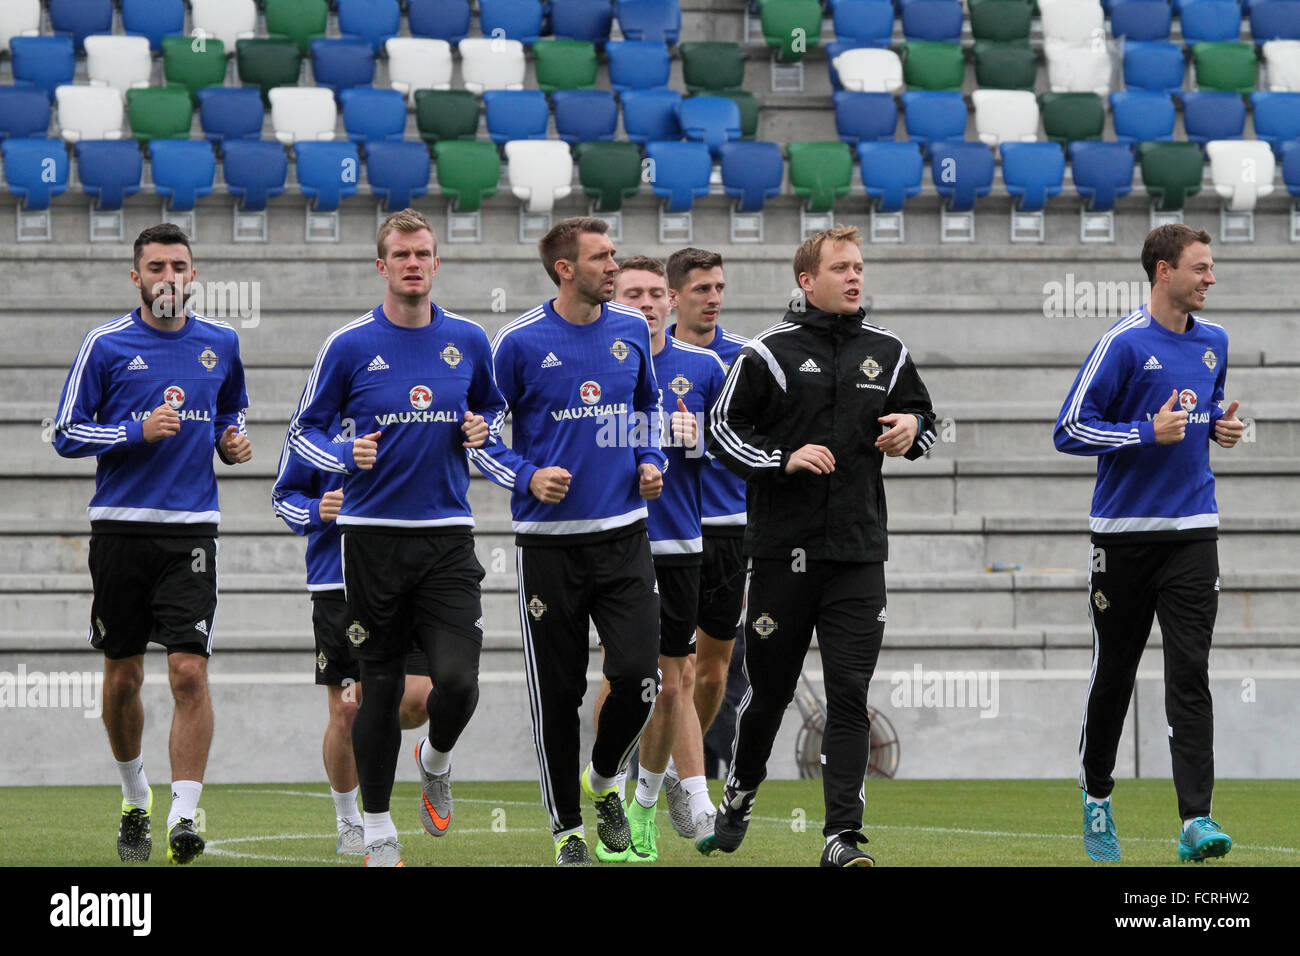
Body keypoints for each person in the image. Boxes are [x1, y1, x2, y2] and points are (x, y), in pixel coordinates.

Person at [705, 225, 936, 867]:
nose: (854, 277)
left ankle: (842, 835)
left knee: (849, 692)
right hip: (785, 555)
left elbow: (926, 423)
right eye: (841, 268)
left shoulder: (887, 351)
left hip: (860, 554)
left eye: (859, 267)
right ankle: (741, 793)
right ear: (807, 280)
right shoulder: (767, 353)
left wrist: (912, 428)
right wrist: (783, 457)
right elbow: (723, 429)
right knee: (770, 692)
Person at [285, 209, 497, 867]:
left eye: (423, 253)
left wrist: (481, 430)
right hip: (370, 540)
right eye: (401, 254)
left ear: (437, 263)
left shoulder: (468, 338)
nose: (413, 263)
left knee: (457, 681)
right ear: (382, 265)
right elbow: (301, 433)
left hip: (446, 536)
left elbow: (489, 408)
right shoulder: (347, 345)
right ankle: (375, 829)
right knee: (376, 689)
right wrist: (347, 451)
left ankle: (435, 758)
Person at [52, 223, 252, 864]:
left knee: (189, 670)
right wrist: (134, 431)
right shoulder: (105, 345)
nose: (169, 277)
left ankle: (184, 815)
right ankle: (135, 799)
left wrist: (231, 440)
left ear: (194, 277)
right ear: (135, 277)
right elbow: (64, 432)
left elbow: (231, 412)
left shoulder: (220, 343)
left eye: (180, 266)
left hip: (191, 530)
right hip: (118, 529)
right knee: (122, 678)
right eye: (157, 267)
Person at [1053, 224, 1243, 864]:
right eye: (1201, 268)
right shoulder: (1123, 344)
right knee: (1115, 675)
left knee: (1190, 673)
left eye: (1211, 267)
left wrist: (1220, 428)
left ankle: (1196, 819)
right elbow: (1069, 428)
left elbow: (1201, 414)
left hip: (1194, 531)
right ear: (1164, 272)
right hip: (1124, 539)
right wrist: (1141, 432)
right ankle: (1098, 799)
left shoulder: (1215, 342)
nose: (1210, 278)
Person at [483, 217, 666, 865]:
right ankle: (567, 832)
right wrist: (529, 475)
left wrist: (651, 460)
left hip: (624, 538)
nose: (615, 267)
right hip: (549, 548)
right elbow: (478, 435)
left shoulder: (630, 332)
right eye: (601, 257)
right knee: (558, 696)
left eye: (615, 254)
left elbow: (649, 410)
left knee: (641, 679)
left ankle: (604, 780)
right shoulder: (519, 343)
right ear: (566, 269)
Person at [589, 256, 728, 862]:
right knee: (626, 678)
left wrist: (693, 435)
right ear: (613, 300)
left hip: (681, 542)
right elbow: (587, 436)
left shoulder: (703, 366)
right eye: (632, 293)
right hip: (617, 541)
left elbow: (733, 445)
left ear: (671, 302)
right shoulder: (596, 362)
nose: (645, 303)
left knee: (676, 686)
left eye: (654, 294)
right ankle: (612, 791)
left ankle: (649, 799)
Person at [271, 437, 436, 856]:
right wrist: (316, 510)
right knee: (345, 710)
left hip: (399, 580)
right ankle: (349, 819)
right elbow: (283, 497)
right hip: (336, 584)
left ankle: (428, 755)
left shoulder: (397, 406)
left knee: (418, 699)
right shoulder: (312, 425)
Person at [661, 247, 750, 840]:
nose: (713, 297)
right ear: (674, 296)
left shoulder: (745, 359)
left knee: (715, 673)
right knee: (656, 672)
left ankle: (671, 761)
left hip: (733, 527)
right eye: (700, 289)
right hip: (666, 530)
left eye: (718, 287)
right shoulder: (647, 356)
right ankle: (664, 783)